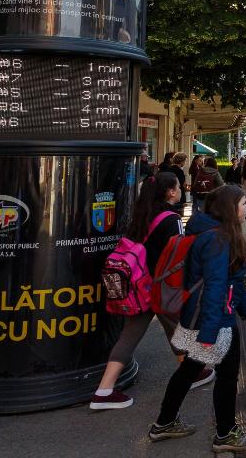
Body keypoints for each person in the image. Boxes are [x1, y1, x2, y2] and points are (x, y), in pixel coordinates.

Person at [148, 184, 246, 451]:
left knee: (189, 369)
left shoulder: (214, 233)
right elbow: (215, 286)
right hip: (214, 321)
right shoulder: (217, 239)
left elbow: (231, 281)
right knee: (226, 375)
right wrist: (210, 334)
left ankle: (164, 423)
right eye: (243, 203)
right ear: (230, 209)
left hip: (205, 318)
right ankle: (225, 434)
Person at [90, 173, 213, 410]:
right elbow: (178, 255)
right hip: (161, 286)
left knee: (133, 335)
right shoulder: (171, 219)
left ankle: (104, 390)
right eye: (177, 187)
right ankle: (190, 372)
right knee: (178, 327)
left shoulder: (138, 216)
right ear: (170, 192)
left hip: (138, 287)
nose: (180, 190)